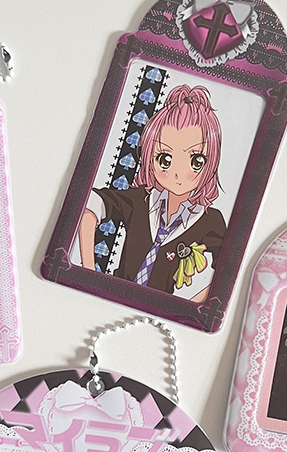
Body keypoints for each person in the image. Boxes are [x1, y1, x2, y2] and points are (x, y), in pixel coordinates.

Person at [78, 85, 226, 303]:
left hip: (158, 309)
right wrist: (88, 273)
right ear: (149, 157)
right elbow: (89, 206)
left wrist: (191, 305)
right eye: (165, 159)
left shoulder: (209, 221)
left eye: (196, 161)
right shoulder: (140, 200)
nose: (177, 174)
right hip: (111, 296)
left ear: (210, 163)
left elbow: (230, 269)